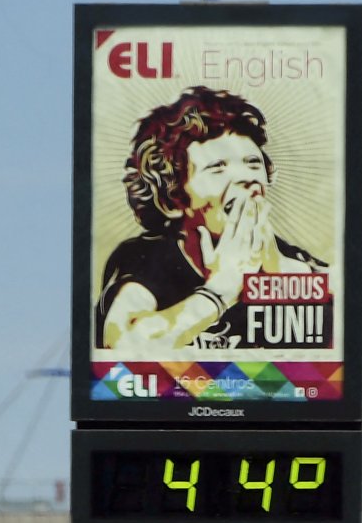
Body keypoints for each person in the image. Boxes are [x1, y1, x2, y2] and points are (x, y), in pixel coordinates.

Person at [95, 84, 327, 355]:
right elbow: (123, 343)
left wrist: (282, 274)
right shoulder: (145, 259)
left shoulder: (285, 256)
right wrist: (221, 290)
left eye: (253, 163)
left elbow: (350, 310)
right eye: (218, 167)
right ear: (173, 197)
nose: (247, 177)